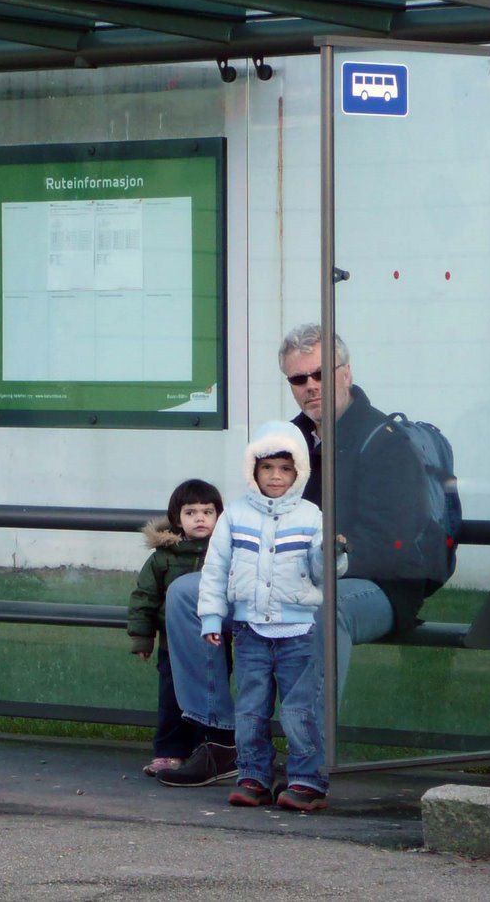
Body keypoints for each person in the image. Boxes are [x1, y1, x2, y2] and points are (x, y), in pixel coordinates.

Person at [156, 323, 434, 788]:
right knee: (187, 593)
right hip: (284, 578)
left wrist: (321, 559)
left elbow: (394, 542)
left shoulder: (386, 441)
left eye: (320, 374)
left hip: (376, 586)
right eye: (298, 379)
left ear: (345, 373)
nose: (310, 387)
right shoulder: (288, 439)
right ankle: (222, 740)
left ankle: (312, 759)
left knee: (329, 608)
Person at [197, 421, 341, 811]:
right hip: (249, 631)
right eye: (267, 468)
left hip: (299, 632)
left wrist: (332, 553)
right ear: (253, 470)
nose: (275, 477)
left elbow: (323, 572)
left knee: (299, 710)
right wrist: (212, 617)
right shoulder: (235, 515)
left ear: (299, 473)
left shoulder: (313, 516)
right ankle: (254, 776)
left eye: (285, 468)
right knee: (250, 708)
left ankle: (307, 779)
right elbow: (215, 569)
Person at [127, 478, 223, 777]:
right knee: (172, 700)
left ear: (219, 516)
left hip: (215, 644)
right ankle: (169, 752)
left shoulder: (223, 553)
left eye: (207, 512)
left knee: (210, 697)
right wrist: (143, 638)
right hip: (173, 646)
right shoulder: (163, 558)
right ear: (176, 518)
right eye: (191, 512)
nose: (200, 519)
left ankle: (203, 750)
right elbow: (144, 598)